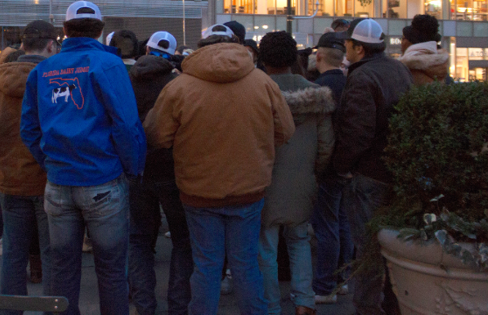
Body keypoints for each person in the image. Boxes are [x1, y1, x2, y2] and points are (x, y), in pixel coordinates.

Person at [144, 24, 295, 315]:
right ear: (237, 46)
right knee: (246, 264)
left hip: (198, 190)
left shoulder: (179, 86)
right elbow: (285, 130)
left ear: (201, 48)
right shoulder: (262, 82)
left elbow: (158, 136)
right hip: (249, 188)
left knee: (206, 266)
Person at [20, 1, 146, 315]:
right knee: (112, 269)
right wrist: (131, 168)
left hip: (60, 182)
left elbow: (29, 129)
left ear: (64, 30)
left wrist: (51, 163)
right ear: (100, 30)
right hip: (102, 180)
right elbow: (127, 125)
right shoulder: (108, 64)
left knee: (61, 270)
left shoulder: (43, 70)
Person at [0, 20, 58, 315]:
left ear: (22, 45)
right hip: (48, 182)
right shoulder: (55, 80)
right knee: (53, 256)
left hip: (10, 181)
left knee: (12, 255)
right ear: (51, 45)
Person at [333, 18, 414, 315]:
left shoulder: (363, 77)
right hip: (395, 170)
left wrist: (342, 166)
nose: (344, 47)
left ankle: (367, 308)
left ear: (359, 48)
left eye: (347, 44)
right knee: (393, 247)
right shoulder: (397, 69)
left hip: (369, 174)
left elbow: (357, 131)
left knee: (367, 249)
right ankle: (394, 304)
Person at [257, 32, 335, 315]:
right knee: (300, 240)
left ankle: (271, 305)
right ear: (294, 59)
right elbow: (326, 145)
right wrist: (314, 172)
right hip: (303, 179)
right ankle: (304, 301)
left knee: (265, 245)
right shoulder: (316, 95)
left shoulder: (255, 92)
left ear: (262, 58)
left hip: (263, 180)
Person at [128, 31, 192, 315]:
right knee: (182, 239)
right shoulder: (178, 85)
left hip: (138, 170)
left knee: (140, 240)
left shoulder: (127, 80)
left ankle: (144, 305)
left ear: (147, 49)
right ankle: (178, 306)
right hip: (172, 171)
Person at [309, 32, 354, 304]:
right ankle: (342, 279)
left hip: (327, 168)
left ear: (319, 55)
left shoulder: (318, 88)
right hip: (347, 166)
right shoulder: (351, 84)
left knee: (326, 227)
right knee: (342, 224)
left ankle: (325, 286)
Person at [399, 14, 451, 85]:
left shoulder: (403, 72)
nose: (401, 43)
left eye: (403, 39)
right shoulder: (444, 73)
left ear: (410, 43)